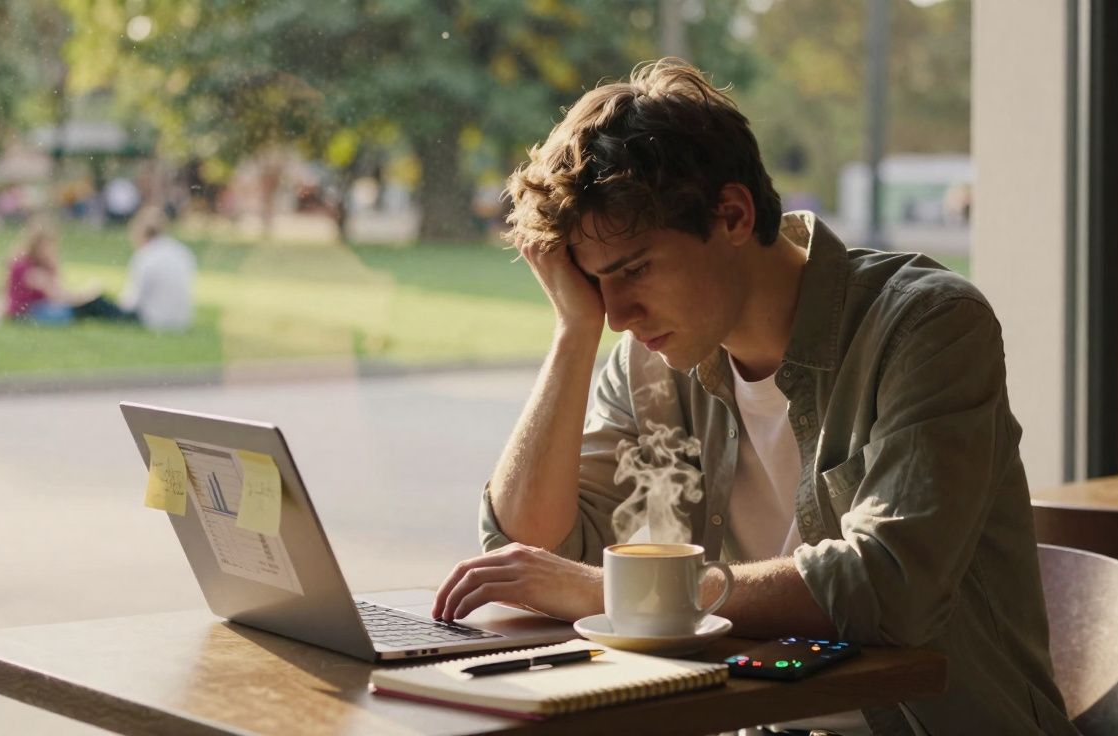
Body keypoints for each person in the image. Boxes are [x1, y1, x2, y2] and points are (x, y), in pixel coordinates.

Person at [430, 59, 1077, 735]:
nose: (617, 314)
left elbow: (890, 588)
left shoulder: (926, 326)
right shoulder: (651, 366)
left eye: (635, 269)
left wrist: (620, 593)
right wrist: (574, 331)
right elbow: (528, 555)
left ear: (733, 215)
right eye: (597, 283)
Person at [4, 220, 131, 324]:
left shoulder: (36, 265)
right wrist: (87, 295)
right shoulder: (27, 267)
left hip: (37, 310)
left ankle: (123, 315)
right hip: (29, 314)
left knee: (93, 304)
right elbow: (59, 295)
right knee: (92, 304)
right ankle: (125, 317)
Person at [119, 206, 197, 332]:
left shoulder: (146, 255)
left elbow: (132, 301)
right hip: (181, 320)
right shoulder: (182, 251)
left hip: (151, 319)